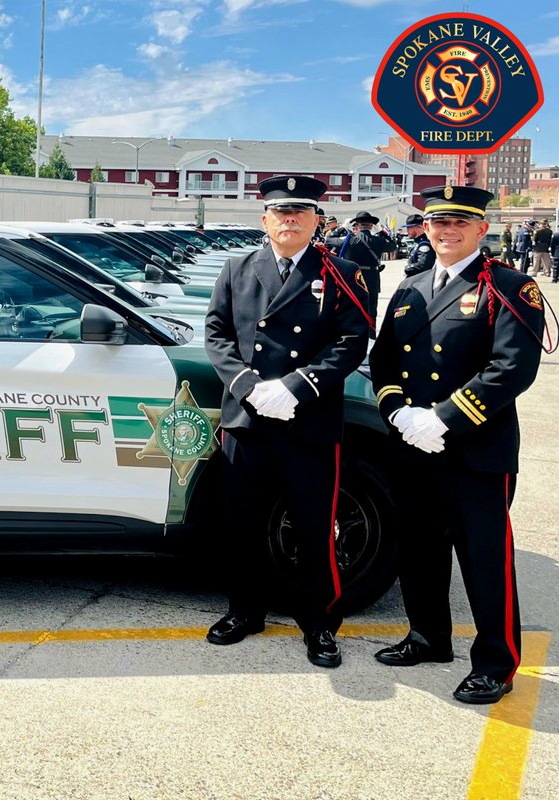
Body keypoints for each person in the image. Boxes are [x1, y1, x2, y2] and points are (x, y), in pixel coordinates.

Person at [368, 185, 545, 704]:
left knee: (485, 558)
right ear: (425, 228)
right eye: (438, 223)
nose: (447, 231)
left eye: (459, 223)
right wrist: (397, 411)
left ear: (481, 229)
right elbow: (384, 359)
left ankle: (496, 663)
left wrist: (444, 419)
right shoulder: (410, 286)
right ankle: (428, 637)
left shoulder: (510, 286)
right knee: (419, 547)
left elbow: (513, 368)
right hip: (413, 445)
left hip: (475, 448)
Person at [203, 175, 371, 667]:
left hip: (309, 418)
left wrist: (296, 386)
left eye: (300, 211)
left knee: (315, 526)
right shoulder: (237, 268)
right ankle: (244, 611)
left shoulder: (343, 272)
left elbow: (352, 341)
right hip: (248, 418)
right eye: (280, 212)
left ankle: (319, 623)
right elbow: (216, 333)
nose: (290, 219)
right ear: (265, 219)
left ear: (317, 220)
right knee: (243, 523)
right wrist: (247, 385)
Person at [326, 210, 386, 325]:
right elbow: (393, 245)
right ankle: (371, 333)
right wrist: (381, 231)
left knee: (352, 308)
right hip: (372, 278)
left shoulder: (349, 240)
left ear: (357, 226)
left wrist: (342, 228)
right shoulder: (379, 240)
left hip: (353, 277)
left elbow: (328, 240)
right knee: (371, 311)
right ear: (372, 226)